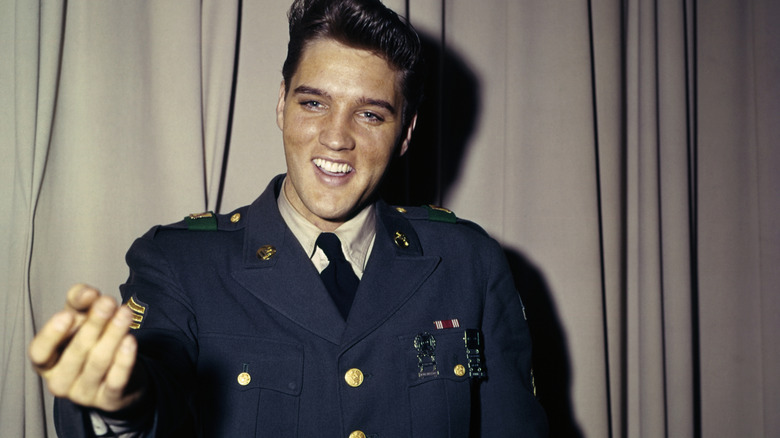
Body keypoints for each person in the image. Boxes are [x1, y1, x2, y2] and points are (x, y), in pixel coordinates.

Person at [28, 0, 548, 436]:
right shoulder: (181, 262)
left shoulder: (466, 262)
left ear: (406, 131)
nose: (337, 138)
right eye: (314, 103)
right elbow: (152, 381)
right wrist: (119, 402)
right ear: (281, 104)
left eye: (370, 114)